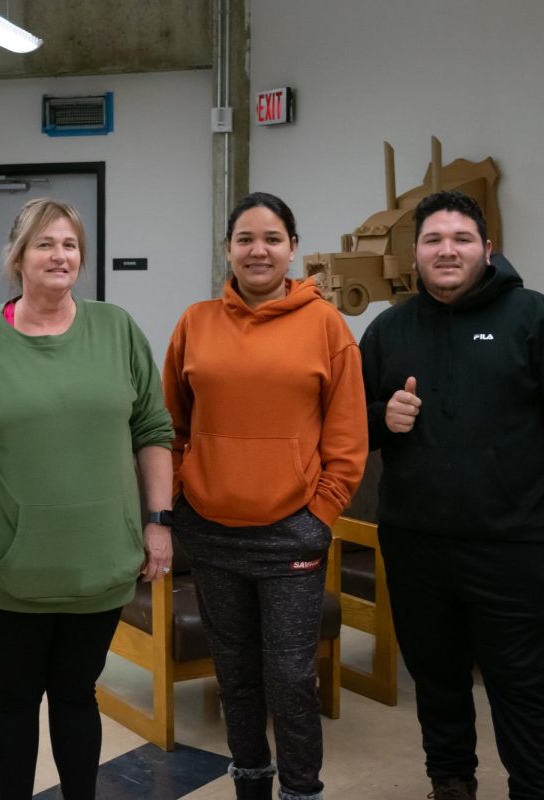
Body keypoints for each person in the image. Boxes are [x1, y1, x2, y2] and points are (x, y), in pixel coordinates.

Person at [360, 190, 544, 800]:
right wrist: (381, 417)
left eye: (461, 239)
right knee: (436, 683)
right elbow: (347, 426)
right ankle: (450, 784)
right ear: (414, 253)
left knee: (518, 686)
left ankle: (537, 790)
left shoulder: (534, 318)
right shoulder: (389, 329)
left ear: (488, 249)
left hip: (514, 546)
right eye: (434, 240)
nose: (447, 250)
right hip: (415, 546)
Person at [0, 198, 174, 799]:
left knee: (76, 694)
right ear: (18, 257)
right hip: (11, 566)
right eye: (44, 244)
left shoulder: (116, 329)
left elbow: (153, 430)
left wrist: (159, 521)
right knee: (13, 697)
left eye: (68, 244)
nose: (59, 255)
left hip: (100, 561)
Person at [163, 192, 367, 800]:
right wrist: (182, 494)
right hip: (212, 531)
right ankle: (249, 781)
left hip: (292, 535)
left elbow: (348, 434)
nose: (259, 250)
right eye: (246, 239)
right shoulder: (195, 323)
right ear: (228, 249)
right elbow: (168, 426)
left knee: (290, 676)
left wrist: (321, 511)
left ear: (293, 249)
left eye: (272, 239)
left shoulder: (326, 324)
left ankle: (301, 791)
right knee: (236, 676)